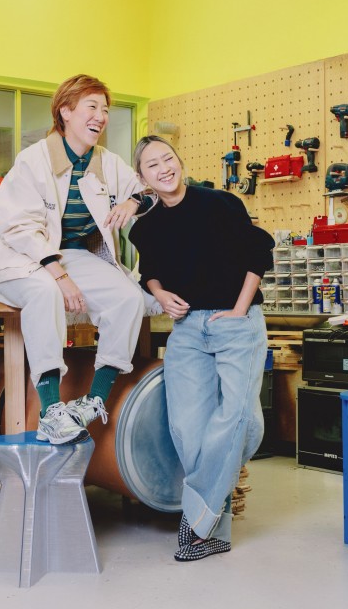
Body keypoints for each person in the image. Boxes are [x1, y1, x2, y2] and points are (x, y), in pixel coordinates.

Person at [129, 135, 273, 562]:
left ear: (180, 160)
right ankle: (217, 526)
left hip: (236, 322)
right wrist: (160, 293)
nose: (163, 169)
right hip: (188, 328)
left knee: (237, 416)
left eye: (168, 158)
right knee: (188, 427)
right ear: (143, 178)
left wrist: (239, 310)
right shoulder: (145, 227)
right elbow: (150, 274)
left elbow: (258, 254)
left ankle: (196, 525)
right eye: (152, 165)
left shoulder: (220, 204)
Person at [0, 74, 156, 445]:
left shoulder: (106, 162)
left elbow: (149, 190)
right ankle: (51, 410)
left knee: (127, 299)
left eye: (106, 109)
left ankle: (93, 400)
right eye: (92, 107)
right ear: (65, 111)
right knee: (46, 294)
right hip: (23, 258)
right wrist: (60, 278)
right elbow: (18, 228)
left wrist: (132, 201)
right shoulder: (32, 161)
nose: (101, 116)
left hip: (74, 256)